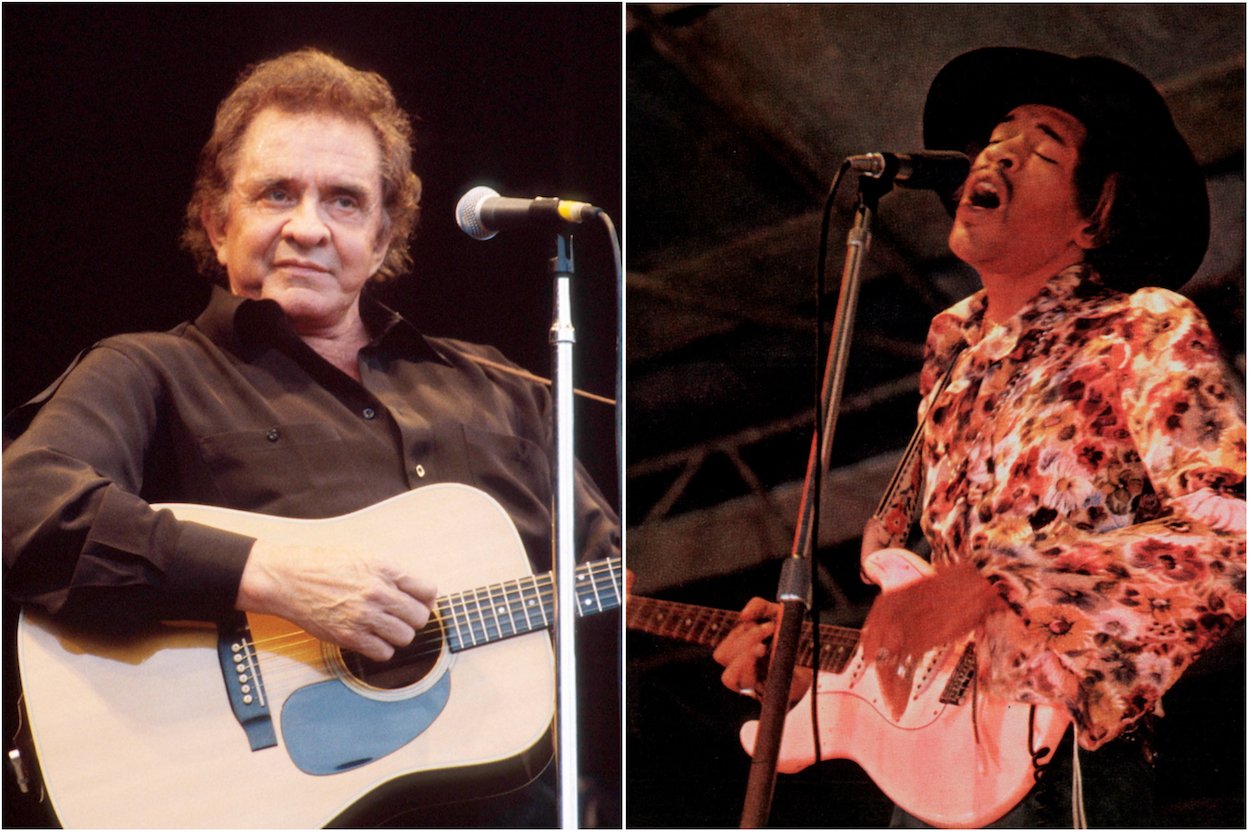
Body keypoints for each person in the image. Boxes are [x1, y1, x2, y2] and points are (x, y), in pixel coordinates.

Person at [3, 48, 619, 827]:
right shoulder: (150, 371)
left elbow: (614, 579)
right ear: (216, 222)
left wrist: (738, 638)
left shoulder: (496, 388)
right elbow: (21, 506)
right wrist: (269, 576)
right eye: (276, 194)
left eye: (343, 201)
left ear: (384, 234)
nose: (307, 228)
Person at [714, 47, 1245, 827]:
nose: (1001, 151)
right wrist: (813, 669)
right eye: (999, 137)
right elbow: (939, 629)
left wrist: (1002, 580)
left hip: (1061, 764)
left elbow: (1231, 534)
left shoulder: (1141, 328)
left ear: (1095, 216)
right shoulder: (956, 359)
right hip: (936, 780)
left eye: (1042, 148)